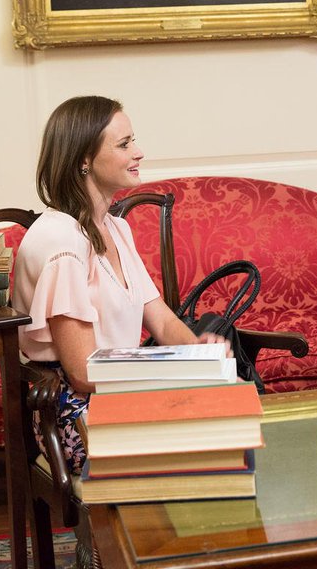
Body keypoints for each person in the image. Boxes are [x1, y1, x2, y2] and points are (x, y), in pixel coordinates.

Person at [13, 95, 227, 471]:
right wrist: (173, 367)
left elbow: (159, 319)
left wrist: (197, 352)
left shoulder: (116, 227)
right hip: (77, 417)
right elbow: (82, 373)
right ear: (83, 159)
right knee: (218, 436)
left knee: (233, 418)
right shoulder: (60, 243)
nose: (139, 152)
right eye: (125, 144)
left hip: (119, 392)